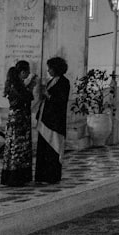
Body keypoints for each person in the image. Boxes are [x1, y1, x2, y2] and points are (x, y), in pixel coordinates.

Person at [1, 60, 36, 186]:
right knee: (18, 146)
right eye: (27, 71)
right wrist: (31, 87)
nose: (29, 73)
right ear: (22, 72)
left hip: (17, 117)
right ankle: (16, 176)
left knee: (15, 146)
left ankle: (16, 175)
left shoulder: (16, 84)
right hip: (19, 118)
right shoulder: (16, 85)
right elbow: (26, 97)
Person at [35, 56, 70, 184]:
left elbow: (61, 101)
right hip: (45, 119)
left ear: (56, 68)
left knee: (53, 148)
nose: (48, 71)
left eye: (50, 68)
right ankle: (42, 175)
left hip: (55, 121)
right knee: (43, 148)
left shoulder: (64, 82)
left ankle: (52, 176)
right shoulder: (51, 81)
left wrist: (48, 95)